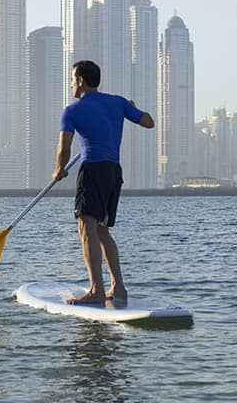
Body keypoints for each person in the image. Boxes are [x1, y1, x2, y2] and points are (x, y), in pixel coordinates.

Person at [52, 60, 155, 305]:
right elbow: (149, 122)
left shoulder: (72, 111)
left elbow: (64, 147)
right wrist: (131, 108)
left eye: (72, 79)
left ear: (80, 81)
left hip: (92, 171)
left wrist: (58, 170)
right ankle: (118, 288)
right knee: (101, 230)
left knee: (86, 228)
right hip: (113, 172)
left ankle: (96, 290)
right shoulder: (118, 102)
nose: (71, 84)